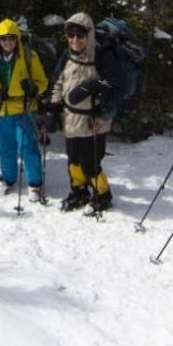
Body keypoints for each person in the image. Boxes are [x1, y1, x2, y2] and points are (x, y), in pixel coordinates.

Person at [46, 12, 123, 215]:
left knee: (90, 163)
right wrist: (53, 109)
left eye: (79, 35)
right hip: (71, 118)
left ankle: (102, 195)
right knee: (73, 160)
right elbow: (58, 82)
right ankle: (79, 191)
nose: (75, 40)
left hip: (93, 119)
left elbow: (113, 83)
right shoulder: (67, 55)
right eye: (70, 35)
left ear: (89, 35)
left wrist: (95, 87)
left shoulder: (102, 56)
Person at [0, 18, 48, 202]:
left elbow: (43, 82)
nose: (7, 42)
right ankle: (7, 179)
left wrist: (34, 89)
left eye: (11, 38)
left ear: (17, 38)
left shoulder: (29, 56)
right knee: (5, 148)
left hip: (23, 110)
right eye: (3, 38)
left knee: (27, 147)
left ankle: (35, 183)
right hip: (0, 111)